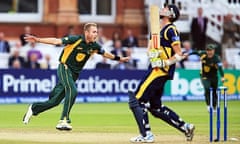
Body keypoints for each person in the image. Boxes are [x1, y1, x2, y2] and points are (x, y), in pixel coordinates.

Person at [22, 23, 129, 130]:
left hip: (74, 75)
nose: (96, 34)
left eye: (96, 32)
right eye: (94, 32)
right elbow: (56, 41)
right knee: (73, 90)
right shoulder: (75, 39)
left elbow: (105, 54)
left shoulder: (94, 46)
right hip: (64, 68)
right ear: (86, 32)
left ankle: (33, 108)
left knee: (54, 102)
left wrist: (120, 59)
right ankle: (64, 120)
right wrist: (38, 40)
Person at [128, 4, 195, 143]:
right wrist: (153, 53)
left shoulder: (170, 29)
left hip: (159, 71)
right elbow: (151, 51)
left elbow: (179, 54)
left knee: (136, 100)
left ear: (170, 14)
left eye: (165, 8)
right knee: (155, 107)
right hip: (155, 68)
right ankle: (186, 127)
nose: (162, 9)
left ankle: (146, 135)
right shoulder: (158, 29)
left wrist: (164, 63)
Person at [187, 44, 225, 112]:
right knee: (207, 88)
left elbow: (220, 68)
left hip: (214, 77)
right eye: (208, 50)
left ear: (213, 51)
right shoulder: (203, 53)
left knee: (214, 91)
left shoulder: (216, 58)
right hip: (204, 76)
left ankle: (214, 106)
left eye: (211, 50)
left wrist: (222, 77)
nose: (209, 52)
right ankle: (208, 105)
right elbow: (195, 52)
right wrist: (188, 54)